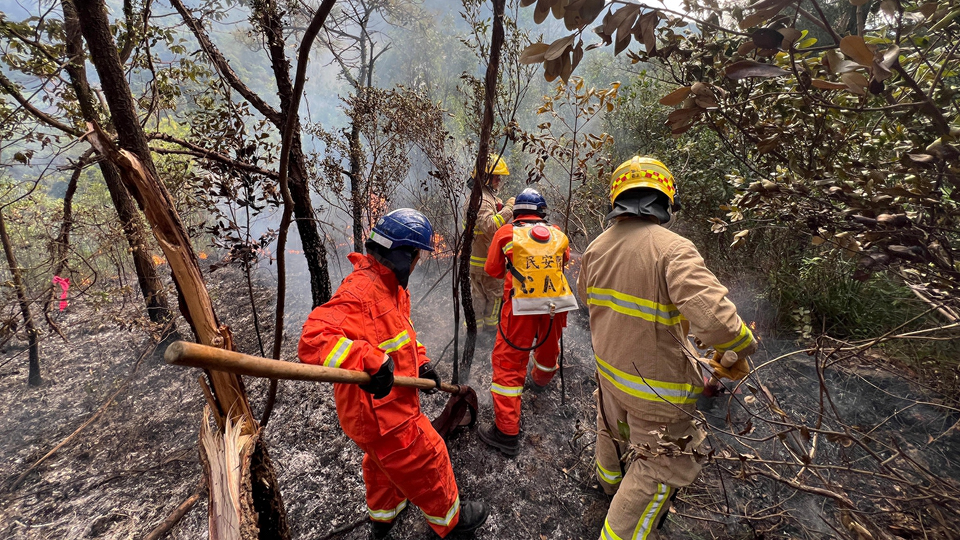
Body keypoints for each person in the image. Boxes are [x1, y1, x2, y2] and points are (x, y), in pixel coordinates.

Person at [577, 157, 758, 540]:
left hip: (610, 375)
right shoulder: (672, 249)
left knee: (609, 430)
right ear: (664, 200)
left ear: (618, 198)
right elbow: (720, 322)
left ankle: (608, 485)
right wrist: (742, 346)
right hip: (658, 393)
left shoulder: (595, 249)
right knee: (659, 468)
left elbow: (586, 300)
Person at [299, 209, 488, 539]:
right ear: (405, 255)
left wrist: (422, 362)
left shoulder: (390, 289)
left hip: (374, 416)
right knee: (429, 458)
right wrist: (368, 359)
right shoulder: (360, 293)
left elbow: (402, 338)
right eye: (416, 255)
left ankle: (384, 517)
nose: (418, 263)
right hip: (383, 416)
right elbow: (313, 339)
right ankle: (452, 524)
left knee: (381, 464)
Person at [477, 188, 578, 456]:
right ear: (542, 214)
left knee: (509, 365)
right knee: (548, 349)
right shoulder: (558, 233)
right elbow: (563, 261)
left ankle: (506, 433)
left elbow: (493, 270)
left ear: (517, 212)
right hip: (557, 306)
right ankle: (541, 381)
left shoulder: (506, 233)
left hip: (521, 308)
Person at [465, 153, 515, 334]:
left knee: (478, 299)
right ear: (485, 177)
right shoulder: (483, 200)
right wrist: (509, 209)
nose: (499, 181)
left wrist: (500, 207)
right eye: (496, 177)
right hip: (486, 263)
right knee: (493, 297)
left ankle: (474, 335)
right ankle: (490, 331)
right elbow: (491, 226)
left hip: (479, 261)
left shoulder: (482, 197)